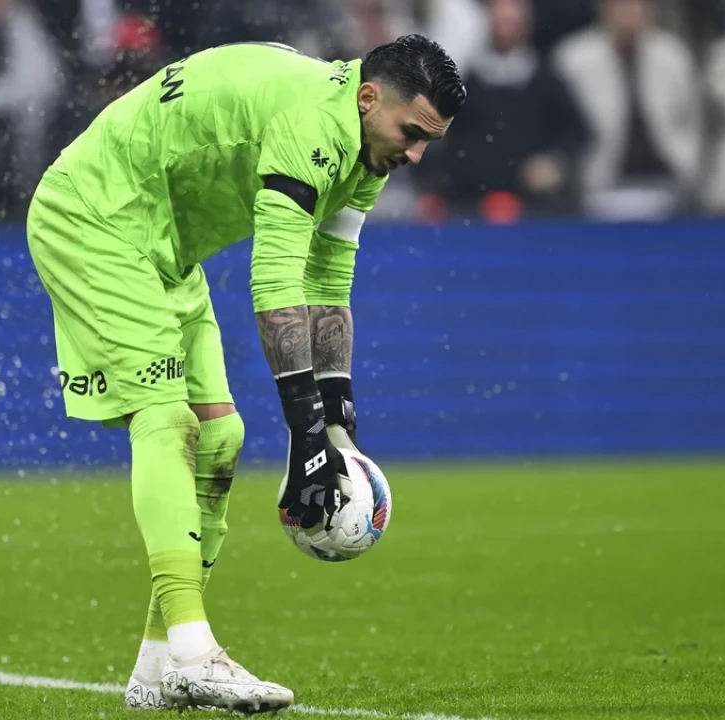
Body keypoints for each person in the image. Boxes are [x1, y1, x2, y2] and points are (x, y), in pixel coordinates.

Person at [26, 35, 464, 713]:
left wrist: (336, 426)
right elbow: (276, 282)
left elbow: (328, 280)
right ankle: (195, 652)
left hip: (164, 246)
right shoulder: (312, 124)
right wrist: (305, 431)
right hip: (95, 218)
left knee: (220, 438)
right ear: (369, 97)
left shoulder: (367, 146)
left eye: (428, 142)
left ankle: (157, 666)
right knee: (166, 420)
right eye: (412, 134)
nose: (415, 156)